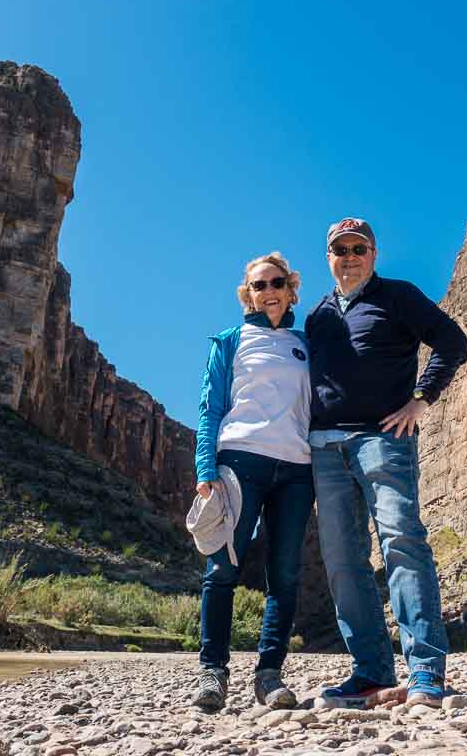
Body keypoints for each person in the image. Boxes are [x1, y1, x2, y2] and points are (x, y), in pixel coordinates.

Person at [306, 217, 467, 708]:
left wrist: (421, 400)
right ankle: (372, 673)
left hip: (383, 440)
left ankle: (424, 673)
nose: (350, 256)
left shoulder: (398, 296)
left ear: (374, 254)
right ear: (329, 257)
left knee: (402, 544)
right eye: (341, 249)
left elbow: (452, 342)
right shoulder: (317, 316)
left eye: (359, 248)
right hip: (325, 448)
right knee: (342, 562)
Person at [190, 251, 315, 712]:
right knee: (223, 569)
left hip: (297, 471)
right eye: (259, 285)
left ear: (290, 288)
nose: (268, 292)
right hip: (239, 463)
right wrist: (206, 469)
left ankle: (269, 674)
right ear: (248, 293)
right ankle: (213, 673)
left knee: (284, 575)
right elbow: (210, 409)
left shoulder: (306, 343)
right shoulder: (230, 341)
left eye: (276, 283)